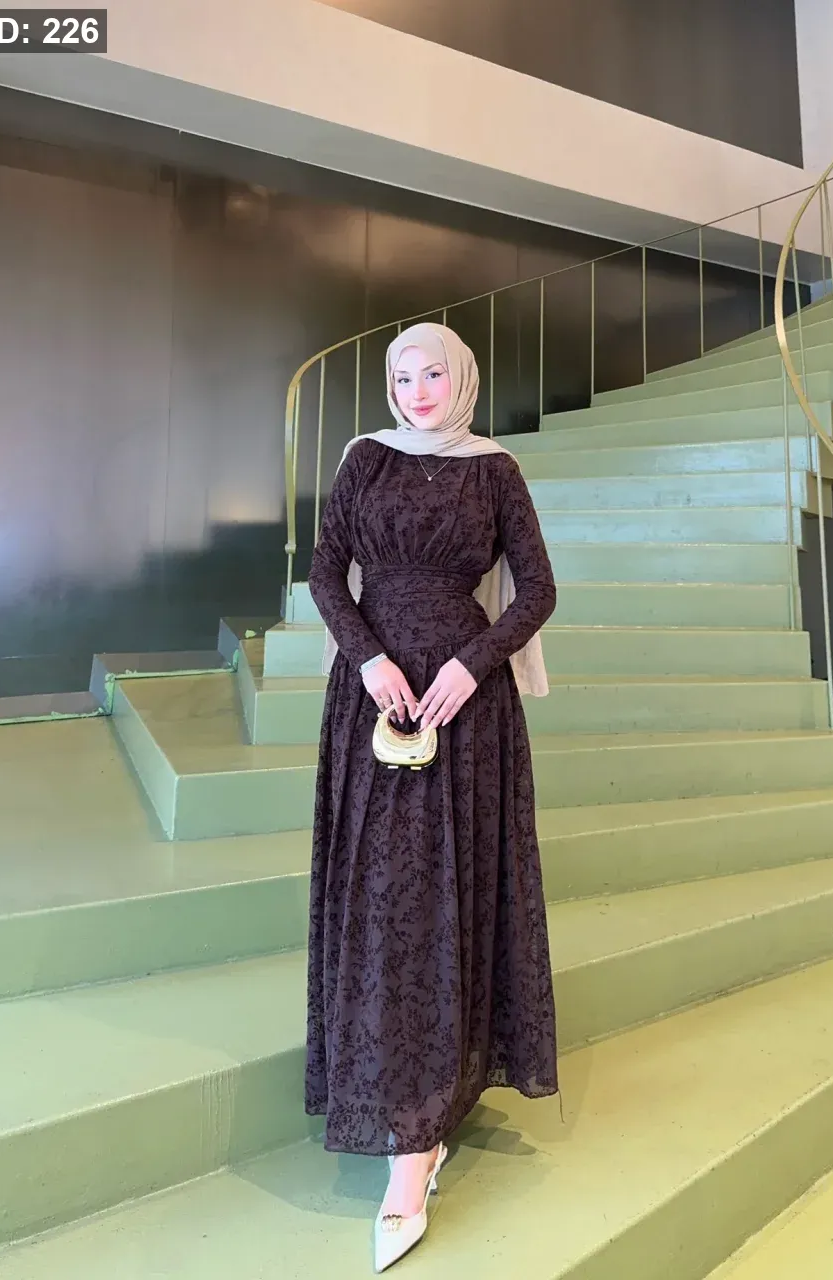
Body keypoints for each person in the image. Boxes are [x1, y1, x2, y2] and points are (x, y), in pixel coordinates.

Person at [305, 322, 559, 1272]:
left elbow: (536, 591)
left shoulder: (495, 471)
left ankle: (417, 1142)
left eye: (434, 374)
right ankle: (401, 1105)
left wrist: (471, 663)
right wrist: (368, 658)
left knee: (443, 900)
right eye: (402, 375)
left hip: (464, 710)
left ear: (464, 380)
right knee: (386, 904)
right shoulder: (364, 459)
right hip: (372, 701)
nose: (417, 390)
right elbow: (326, 571)